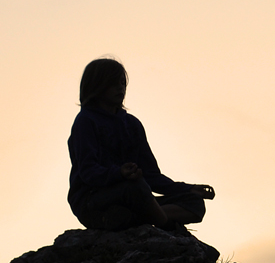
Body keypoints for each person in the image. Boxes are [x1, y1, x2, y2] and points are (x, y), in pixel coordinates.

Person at [67, 58, 214, 231]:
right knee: (134, 187)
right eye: (113, 83)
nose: (120, 88)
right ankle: (163, 224)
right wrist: (119, 173)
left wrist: (188, 189)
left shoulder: (132, 125)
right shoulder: (85, 121)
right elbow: (88, 172)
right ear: (96, 86)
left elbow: (151, 176)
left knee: (194, 203)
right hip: (94, 202)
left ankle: (145, 217)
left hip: (136, 198)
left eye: (123, 83)